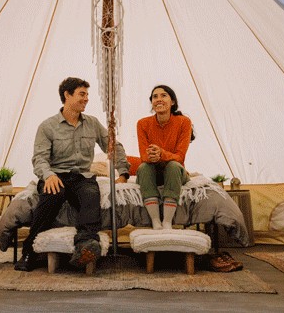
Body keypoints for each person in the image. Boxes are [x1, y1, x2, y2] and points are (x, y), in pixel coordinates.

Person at [14, 77, 130, 271]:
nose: (86, 99)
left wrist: (124, 172)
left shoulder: (92, 123)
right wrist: (48, 175)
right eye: (82, 94)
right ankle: (29, 252)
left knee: (91, 195)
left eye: (87, 95)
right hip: (56, 176)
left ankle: (86, 247)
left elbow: (113, 146)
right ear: (67, 95)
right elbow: (39, 158)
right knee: (52, 195)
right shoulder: (47, 126)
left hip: (82, 177)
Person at [136, 84, 194, 230]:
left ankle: (167, 222)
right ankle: (156, 221)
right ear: (151, 102)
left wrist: (161, 154)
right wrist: (153, 157)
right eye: (155, 97)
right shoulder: (142, 123)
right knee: (144, 167)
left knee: (173, 165)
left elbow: (180, 157)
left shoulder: (184, 122)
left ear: (172, 102)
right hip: (153, 172)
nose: (158, 99)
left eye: (163, 95)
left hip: (175, 172)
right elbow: (144, 156)